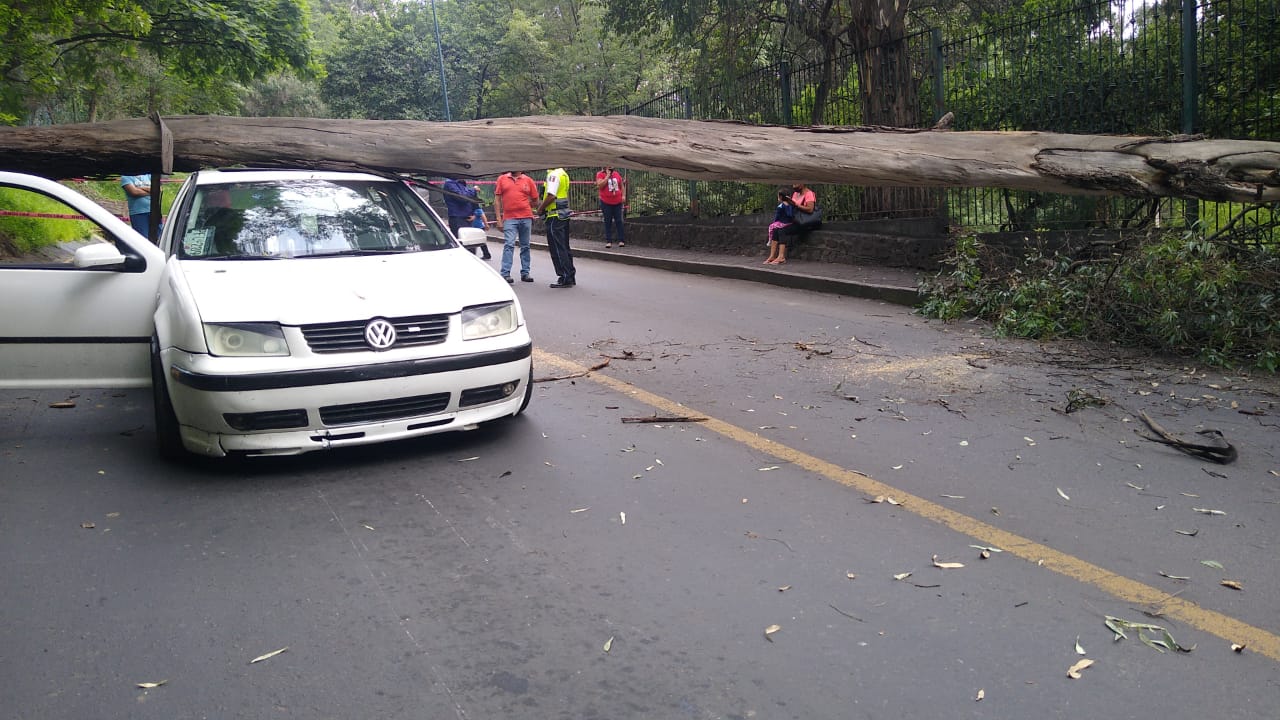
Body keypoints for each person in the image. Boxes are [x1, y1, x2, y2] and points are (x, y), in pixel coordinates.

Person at [493, 170, 540, 283]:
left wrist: (525, 204)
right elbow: (497, 200)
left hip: (526, 217)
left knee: (525, 246)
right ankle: (505, 273)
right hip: (510, 218)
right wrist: (499, 219)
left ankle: (525, 273)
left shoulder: (528, 180)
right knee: (509, 244)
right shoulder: (502, 179)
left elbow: (535, 200)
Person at [538, 167, 576, 288]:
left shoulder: (553, 175)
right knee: (564, 246)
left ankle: (565, 276)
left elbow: (551, 196)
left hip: (554, 216)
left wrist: (540, 208)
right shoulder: (563, 173)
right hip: (563, 214)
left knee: (557, 248)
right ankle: (570, 275)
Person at [764, 182, 818, 265]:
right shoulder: (795, 194)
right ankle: (772, 256)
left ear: (802, 183)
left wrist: (796, 205)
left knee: (782, 230)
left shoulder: (809, 194)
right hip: (794, 221)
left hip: (803, 223)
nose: (794, 186)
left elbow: (810, 209)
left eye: (796, 184)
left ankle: (781, 256)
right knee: (775, 230)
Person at [443, 178, 491, 259]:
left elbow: (472, 201)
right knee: (461, 245)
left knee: (471, 246)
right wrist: (474, 190)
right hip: (457, 219)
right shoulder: (450, 184)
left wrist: (474, 214)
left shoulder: (462, 184)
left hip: (468, 218)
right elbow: (462, 197)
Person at [595, 165, 626, 248]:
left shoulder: (616, 174)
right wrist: (607, 176)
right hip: (606, 202)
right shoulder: (600, 174)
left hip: (617, 201)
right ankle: (609, 241)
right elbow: (600, 185)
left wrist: (623, 196)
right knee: (607, 221)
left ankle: (621, 240)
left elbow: (622, 185)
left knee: (619, 220)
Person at [120, 173, 155, 239]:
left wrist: (140, 188)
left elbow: (158, 189)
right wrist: (151, 191)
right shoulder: (126, 177)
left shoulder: (148, 175)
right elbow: (134, 192)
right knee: (143, 238)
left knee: (159, 236)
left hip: (154, 212)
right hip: (138, 213)